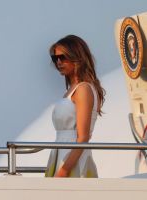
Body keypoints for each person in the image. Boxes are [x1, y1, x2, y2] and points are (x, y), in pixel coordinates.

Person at [45, 35, 105, 178]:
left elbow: (83, 137)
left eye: (63, 57)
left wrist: (64, 171)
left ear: (76, 57)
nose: (58, 62)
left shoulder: (83, 89)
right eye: (55, 58)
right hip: (62, 153)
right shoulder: (72, 90)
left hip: (73, 158)